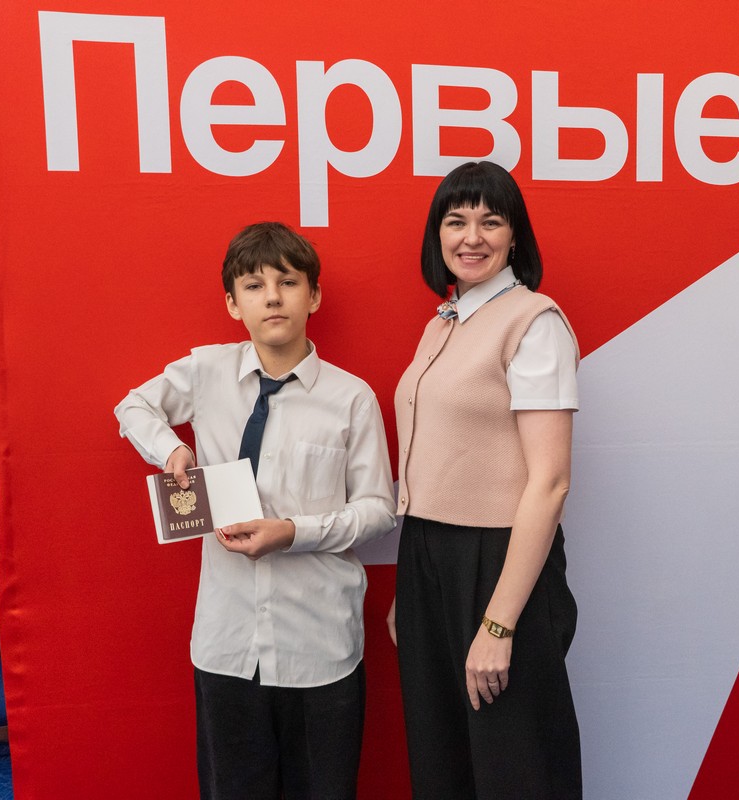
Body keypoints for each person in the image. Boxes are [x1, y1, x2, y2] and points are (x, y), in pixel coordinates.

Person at [115, 221, 396, 800]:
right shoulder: (206, 372)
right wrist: (171, 450)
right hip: (227, 642)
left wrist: (293, 532)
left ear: (313, 296)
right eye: (254, 285)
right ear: (232, 303)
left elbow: (377, 510)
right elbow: (133, 406)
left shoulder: (351, 398)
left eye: (288, 283)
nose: (272, 297)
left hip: (320, 644)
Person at [389, 161, 583, 799]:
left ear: (514, 236)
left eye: (490, 221)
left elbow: (550, 482)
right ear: (437, 235)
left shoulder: (534, 321)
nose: (471, 237)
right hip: (428, 557)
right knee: (442, 759)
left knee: (515, 763)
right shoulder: (443, 322)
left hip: (499, 560)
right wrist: (414, 585)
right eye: (456, 221)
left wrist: (499, 625)